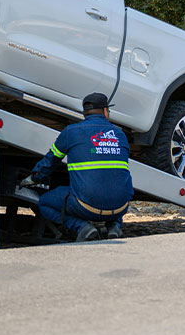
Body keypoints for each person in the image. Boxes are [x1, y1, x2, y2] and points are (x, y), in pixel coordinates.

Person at [20, 92, 134, 241]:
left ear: (84, 113)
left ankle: (82, 227)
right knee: (112, 186)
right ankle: (114, 227)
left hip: (85, 207)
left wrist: (34, 178)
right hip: (121, 206)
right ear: (106, 111)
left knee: (44, 203)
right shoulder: (120, 135)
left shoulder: (71, 132)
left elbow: (50, 162)